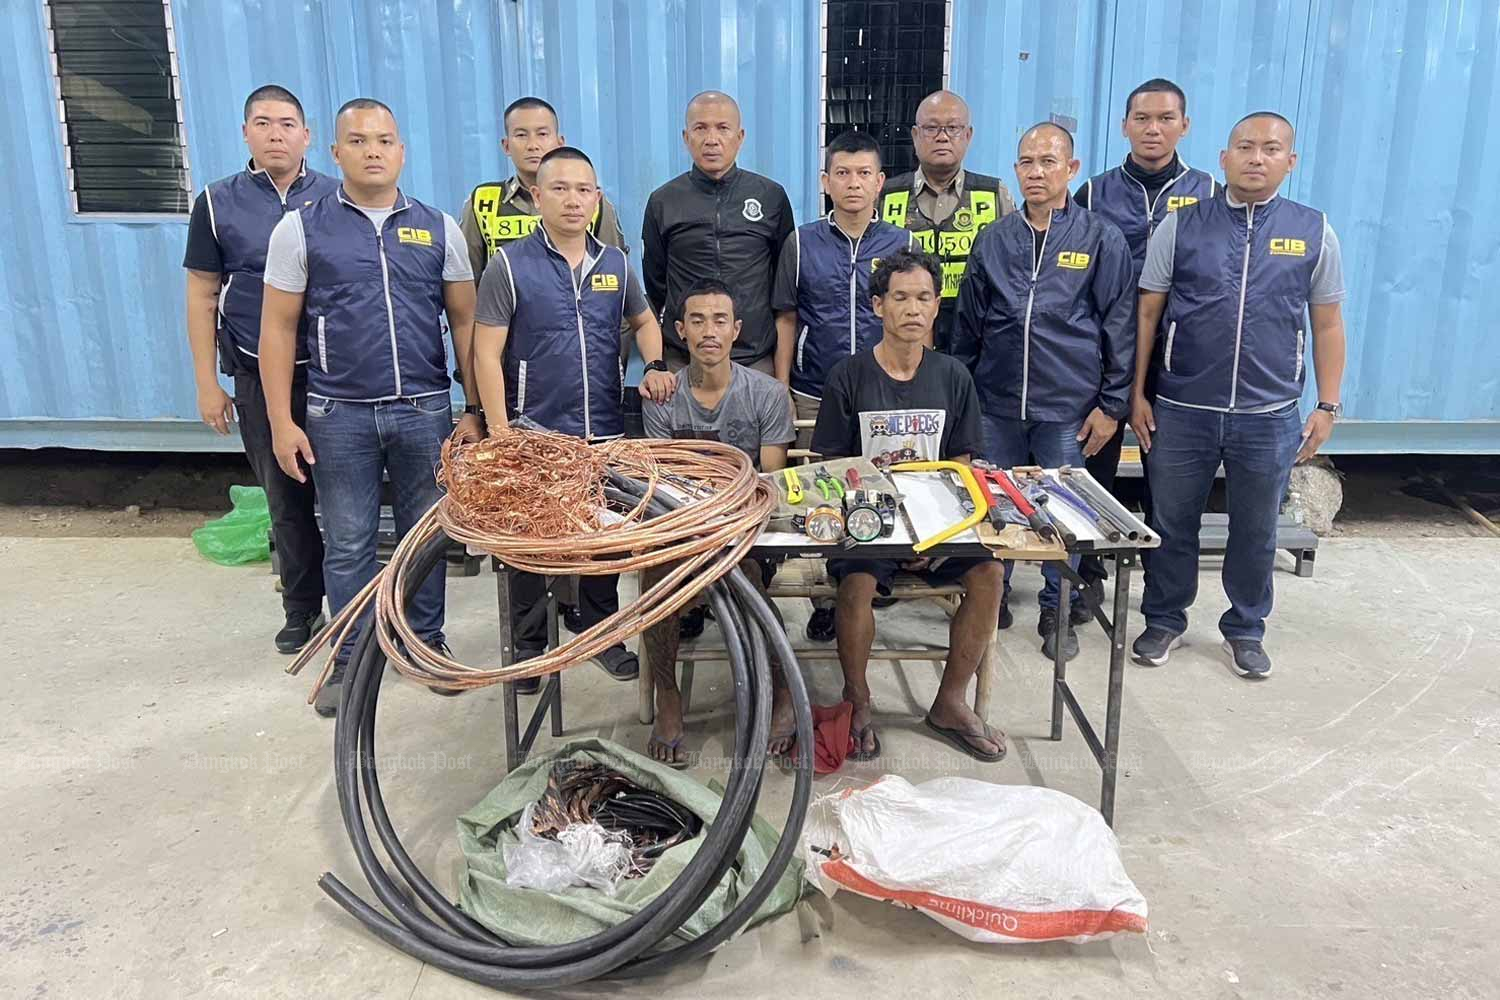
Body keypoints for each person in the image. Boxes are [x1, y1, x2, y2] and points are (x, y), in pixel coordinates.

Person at [259, 98, 483, 717]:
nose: (373, 151)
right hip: (340, 413)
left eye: (384, 140)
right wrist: (283, 421)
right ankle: (351, 655)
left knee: (428, 535)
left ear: (401, 150)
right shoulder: (301, 228)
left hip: (425, 409)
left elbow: (465, 321)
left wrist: (474, 409)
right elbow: (277, 329)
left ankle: (426, 644)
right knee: (351, 539)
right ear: (335, 153)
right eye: (358, 141)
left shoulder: (439, 228)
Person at [1130, 112, 1347, 679]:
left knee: (1257, 529)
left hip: (1269, 414)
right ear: (1222, 158)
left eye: (1270, 149)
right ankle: (1164, 618)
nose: (1256, 158)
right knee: (1172, 520)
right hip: (1183, 408)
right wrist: (1137, 393)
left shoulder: (1313, 230)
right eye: (1244, 147)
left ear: (1289, 162)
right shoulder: (1181, 226)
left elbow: (1326, 323)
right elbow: (1148, 314)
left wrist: (1326, 403)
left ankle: (1246, 628)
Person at [472, 146, 676, 691]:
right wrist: (500, 433)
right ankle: (530, 648)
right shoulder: (509, 266)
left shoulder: (615, 264)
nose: (572, 200)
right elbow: (485, 354)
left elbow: (645, 320)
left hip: (603, 429)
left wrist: (653, 363)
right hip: (534, 435)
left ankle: (603, 636)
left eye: (583, 189)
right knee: (530, 545)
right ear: (537, 196)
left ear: (598, 198)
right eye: (559, 189)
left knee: (600, 541)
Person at [811, 249, 1007, 762]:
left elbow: (960, 466)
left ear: (936, 305)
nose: (913, 309)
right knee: (855, 586)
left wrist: (933, 532)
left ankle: (949, 702)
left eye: (923, 297)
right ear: (878, 305)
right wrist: (889, 529)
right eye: (900, 297)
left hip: (936, 524)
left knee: (989, 575)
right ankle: (858, 700)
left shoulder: (953, 376)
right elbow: (832, 468)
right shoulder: (848, 376)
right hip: (870, 523)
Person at [953, 123, 1134, 662]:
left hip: (1067, 408)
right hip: (997, 403)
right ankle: (994, 595)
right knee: (995, 504)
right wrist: (965, 399)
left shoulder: (1100, 239)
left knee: (1065, 512)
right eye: (1026, 162)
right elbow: (968, 326)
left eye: (1048, 162)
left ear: (1071, 170)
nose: (1036, 172)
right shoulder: (995, 239)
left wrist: (1112, 405)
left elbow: (1120, 324)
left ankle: (1058, 606)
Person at [182, 85, 338, 654]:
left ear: (308, 135)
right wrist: (208, 384)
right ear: (245, 132)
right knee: (285, 493)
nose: (277, 134)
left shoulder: (335, 197)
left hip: (333, 376)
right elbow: (202, 296)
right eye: (264, 123)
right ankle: (301, 609)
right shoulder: (217, 202)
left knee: (347, 497)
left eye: (288, 124)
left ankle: (359, 609)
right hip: (253, 371)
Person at [639, 279, 796, 766]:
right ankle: (668, 695)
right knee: (653, 581)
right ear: (681, 331)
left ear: (737, 330)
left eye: (720, 320)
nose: (710, 331)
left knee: (741, 573)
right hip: (682, 529)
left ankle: (780, 691)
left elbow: (769, 482)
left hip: (745, 533)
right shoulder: (662, 397)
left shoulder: (766, 395)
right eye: (699, 321)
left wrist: (727, 522)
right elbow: (664, 484)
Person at [1073, 77, 1217, 601]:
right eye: (1142, 119)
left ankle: (1163, 599)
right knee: (1092, 472)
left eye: (1165, 119)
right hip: (1106, 355)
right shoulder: (1093, 192)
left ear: (1184, 125)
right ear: (1124, 126)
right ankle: (1084, 581)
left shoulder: (1208, 193)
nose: (1153, 129)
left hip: (1177, 360)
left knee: (1168, 483)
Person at [771, 129, 912, 643]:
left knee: (880, 488)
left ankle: (868, 580)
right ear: (826, 181)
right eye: (843, 174)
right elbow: (787, 318)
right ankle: (824, 599)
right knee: (820, 496)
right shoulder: (802, 241)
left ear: (880, 183)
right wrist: (782, 387)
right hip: (815, 387)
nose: (853, 184)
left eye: (864, 174)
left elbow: (917, 315)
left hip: (882, 389)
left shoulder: (900, 243)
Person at [642, 91, 795, 373]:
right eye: (700, 128)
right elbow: (655, 283)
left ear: (740, 136)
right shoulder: (663, 201)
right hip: (684, 358)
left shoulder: (771, 196)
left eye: (723, 128)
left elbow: (783, 282)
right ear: (686, 137)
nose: (711, 139)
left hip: (755, 358)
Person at [878, 90, 1017, 352]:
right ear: (915, 136)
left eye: (953, 128)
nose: (942, 136)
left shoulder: (995, 194)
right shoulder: (885, 196)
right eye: (931, 128)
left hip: (978, 344)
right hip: (902, 345)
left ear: (968, 135)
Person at [458, 96, 626, 280]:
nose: (532, 145)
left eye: (542, 134)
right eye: (521, 135)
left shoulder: (591, 201)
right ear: (506, 146)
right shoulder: (484, 202)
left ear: (560, 142)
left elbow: (614, 279)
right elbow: (465, 282)